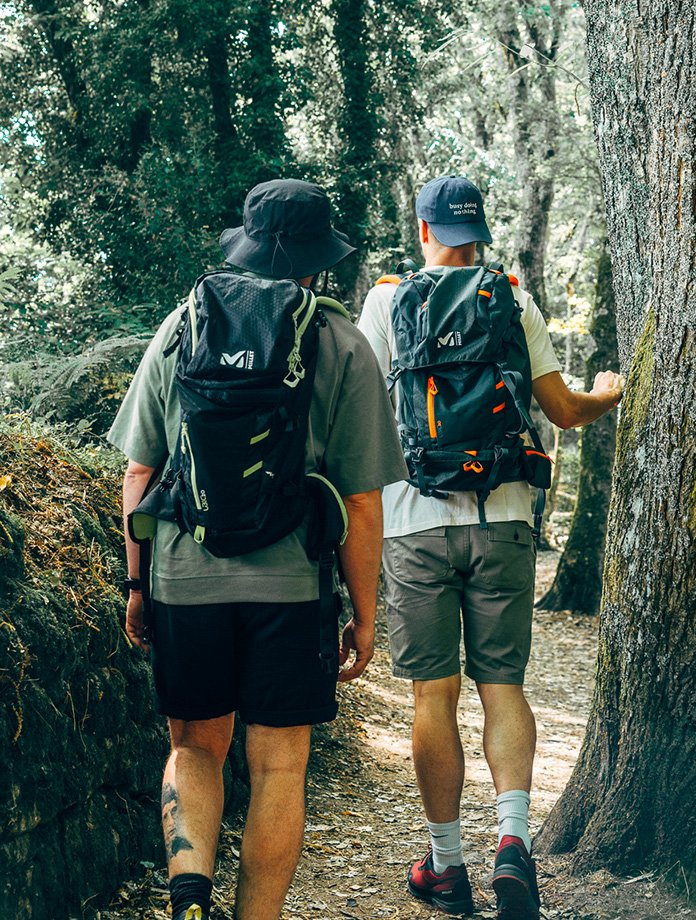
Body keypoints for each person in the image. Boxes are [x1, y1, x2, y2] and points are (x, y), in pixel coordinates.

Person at [108, 179, 408, 920]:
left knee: (195, 745)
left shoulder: (183, 326)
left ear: (246, 245)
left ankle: (187, 896)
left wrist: (137, 584)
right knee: (278, 764)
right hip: (291, 586)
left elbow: (140, 471)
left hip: (184, 574)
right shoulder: (339, 341)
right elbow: (363, 501)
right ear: (317, 260)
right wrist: (365, 616)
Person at [358, 175, 624, 920]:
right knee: (502, 686)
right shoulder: (511, 296)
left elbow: (359, 410)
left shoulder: (386, 301)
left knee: (431, 695)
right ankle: (513, 847)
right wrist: (609, 391)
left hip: (415, 520)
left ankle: (447, 866)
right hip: (504, 513)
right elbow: (564, 413)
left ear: (423, 230)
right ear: (480, 231)